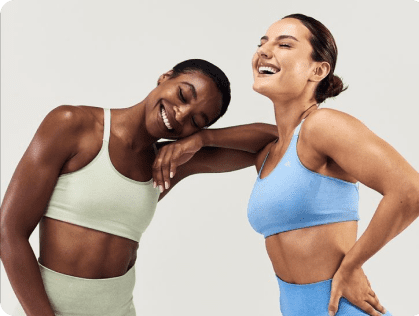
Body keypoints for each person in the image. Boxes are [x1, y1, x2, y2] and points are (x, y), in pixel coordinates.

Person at [153, 15, 419, 316]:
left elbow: (413, 191)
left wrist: (352, 265)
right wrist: (203, 138)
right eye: (262, 43)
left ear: (318, 70)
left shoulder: (323, 125)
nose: (264, 51)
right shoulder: (269, 154)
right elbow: (266, 135)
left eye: (284, 45)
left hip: (342, 309)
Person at [0, 59, 278, 316]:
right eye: (183, 95)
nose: (181, 114)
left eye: (196, 120)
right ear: (165, 77)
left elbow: (278, 141)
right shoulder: (74, 125)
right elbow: (8, 231)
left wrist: (204, 138)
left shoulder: (168, 164)